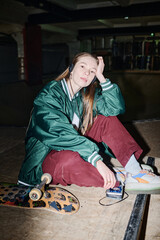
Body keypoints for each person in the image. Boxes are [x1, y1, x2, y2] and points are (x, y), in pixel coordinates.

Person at [18, 52, 160, 193]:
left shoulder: (84, 96)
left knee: (106, 119)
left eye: (92, 71)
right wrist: (97, 161)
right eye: (82, 66)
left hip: (74, 149)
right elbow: (57, 130)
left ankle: (134, 172)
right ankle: (118, 178)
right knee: (69, 160)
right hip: (43, 162)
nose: (87, 73)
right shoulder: (50, 94)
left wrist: (101, 77)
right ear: (71, 69)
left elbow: (115, 108)